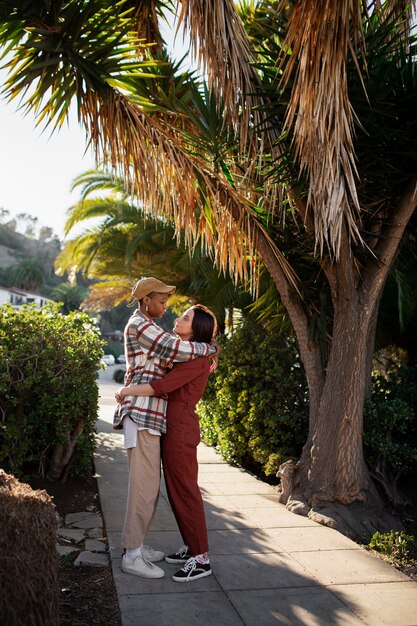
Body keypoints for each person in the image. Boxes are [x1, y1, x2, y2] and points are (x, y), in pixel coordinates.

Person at [114, 277, 217, 580]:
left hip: (157, 420)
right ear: (146, 300)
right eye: (161, 301)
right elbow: (173, 351)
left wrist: (209, 351)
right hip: (143, 416)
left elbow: (170, 370)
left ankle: (141, 547)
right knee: (144, 491)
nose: (167, 308)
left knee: (153, 490)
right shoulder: (142, 326)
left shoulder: (154, 329)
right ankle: (132, 554)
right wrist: (210, 347)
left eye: (180, 312)